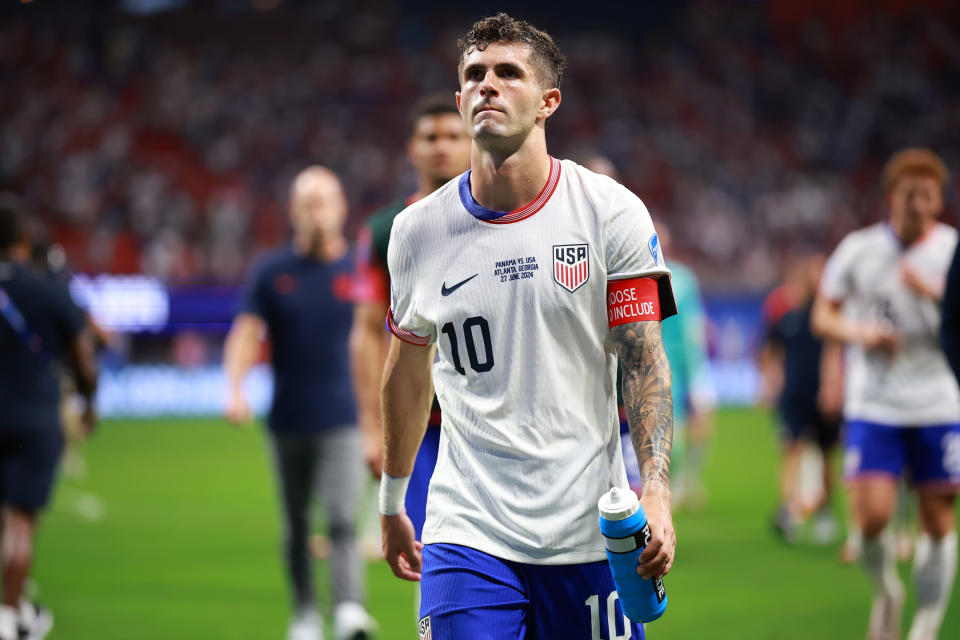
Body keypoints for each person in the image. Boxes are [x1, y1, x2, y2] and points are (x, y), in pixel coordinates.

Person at [378, 13, 677, 639]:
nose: (488, 85)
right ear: (461, 100)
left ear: (548, 102)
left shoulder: (609, 212)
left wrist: (656, 490)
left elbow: (644, 361)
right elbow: (407, 374)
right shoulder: (416, 233)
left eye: (508, 73)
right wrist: (392, 501)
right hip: (467, 530)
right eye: (474, 75)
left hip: (591, 530)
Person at [223, 167, 376, 640]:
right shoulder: (272, 272)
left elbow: (381, 338)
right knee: (293, 524)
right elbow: (246, 333)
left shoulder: (359, 272)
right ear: (292, 211)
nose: (315, 210)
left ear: (342, 208)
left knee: (340, 518)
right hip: (287, 419)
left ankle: (349, 608)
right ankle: (306, 613)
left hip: (344, 417)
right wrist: (234, 388)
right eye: (306, 201)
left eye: (323, 200)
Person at [812, 148, 959, 640]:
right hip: (875, 401)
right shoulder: (859, 249)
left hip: (938, 398)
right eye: (912, 195)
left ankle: (925, 625)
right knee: (873, 518)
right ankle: (887, 590)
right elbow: (823, 314)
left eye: (930, 196)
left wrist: (934, 291)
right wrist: (862, 334)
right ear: (892, 197)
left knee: (938, 520)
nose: (922, 205)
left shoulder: (951, 252)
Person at [0, 194, 98, 640]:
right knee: (21, 519)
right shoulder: (46, 288)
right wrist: (88, 401)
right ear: (23, 239)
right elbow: (84, 354)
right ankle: (7, 616)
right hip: (34, 418)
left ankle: (15, 613)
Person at [760, 253, 842, 543]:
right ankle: (789, 512)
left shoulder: (833, 320)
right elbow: (771, 351)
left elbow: (837, 355)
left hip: (823, 396)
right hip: (793, 395)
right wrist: (769, 382)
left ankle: (823, 512)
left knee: (825, 457)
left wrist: (834, 387)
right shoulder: (788, 319)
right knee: (791, 450)